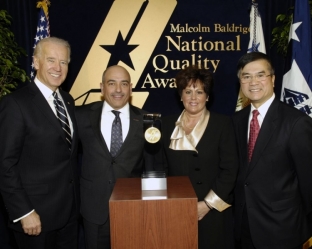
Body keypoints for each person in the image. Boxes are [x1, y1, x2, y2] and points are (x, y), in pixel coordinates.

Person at [0, 37, 79, 249]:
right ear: (35, 62)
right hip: (35, 218)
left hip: (69, 216)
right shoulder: (16, 103)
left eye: (63, 62)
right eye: (51, 60)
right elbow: (5, 164)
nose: (58, 67)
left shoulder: (68, 101)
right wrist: (23, 212)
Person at [75, 65, 162, 249]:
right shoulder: (81, 116)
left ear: (130, 88)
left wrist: (153, 208)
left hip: (133, 210)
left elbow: (152, 166)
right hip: (94, 211)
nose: (118, 90)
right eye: (112, 83)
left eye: (124, 84)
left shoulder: (147, 119)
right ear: (102, 87)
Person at [232, 52, 312, 249]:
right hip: (243, 229)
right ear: (240, 82)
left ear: (273, 79)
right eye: (246, 76)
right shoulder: (236, 121)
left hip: (283, 231)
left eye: (260, 75)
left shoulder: (296, 123)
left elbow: (309, 183)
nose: (253, 82)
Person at [161, 65, 239, 248]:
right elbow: (161, 168)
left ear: (208, 96)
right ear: (181, 96)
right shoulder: (165, 125)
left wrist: (207, 204)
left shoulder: (223, 124)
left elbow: (230, 170)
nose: (193, 97)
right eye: (188, 91)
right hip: (176, 210)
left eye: (200, 92)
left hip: (214, 212)